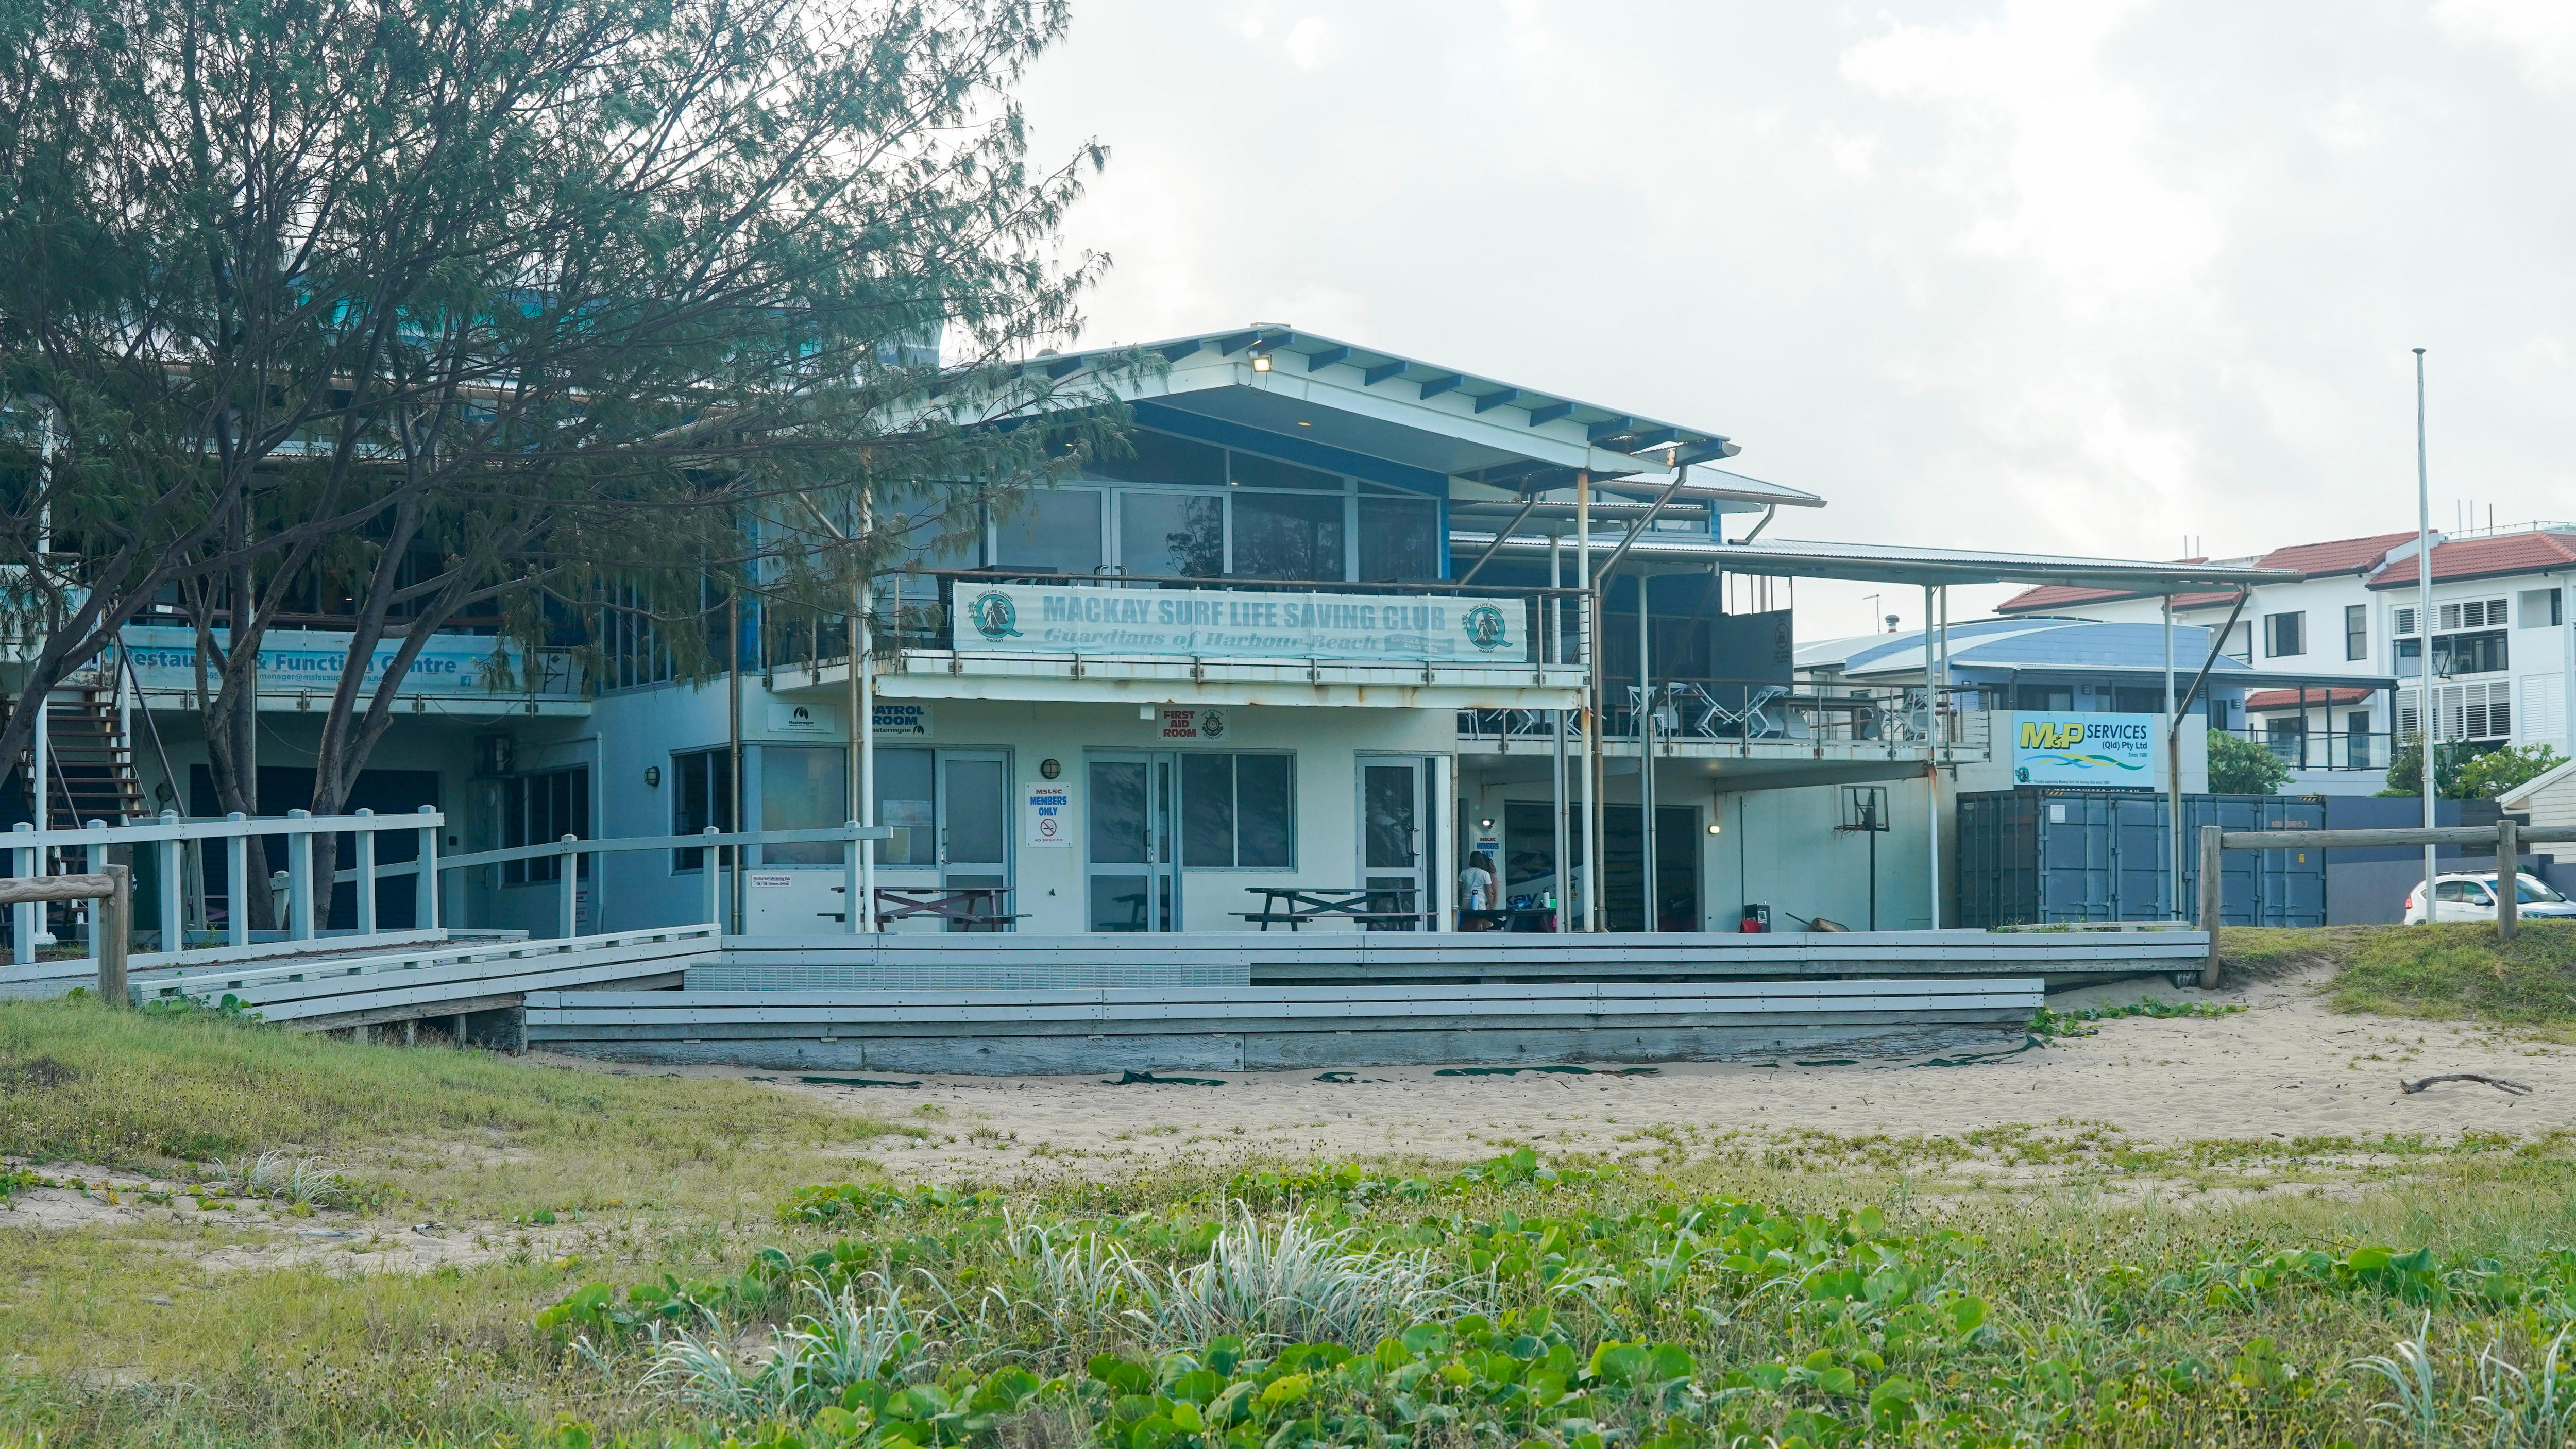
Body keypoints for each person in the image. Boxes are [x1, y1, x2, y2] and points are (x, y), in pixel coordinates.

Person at [1459, 852, 1496, 917]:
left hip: (1466, 902)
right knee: (1478, 923)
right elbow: (1489, 893)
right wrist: (1492, 906)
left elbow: (1457, 888)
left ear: (1471, 860)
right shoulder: (1485, 874)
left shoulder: (1464, 872)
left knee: (1465, 923)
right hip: (1480, 901)